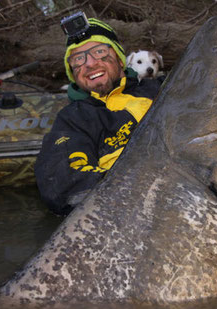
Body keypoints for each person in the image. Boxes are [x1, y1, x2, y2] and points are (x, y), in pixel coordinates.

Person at [35, 17, 163, 215]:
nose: (90, 64)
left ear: (121, 60)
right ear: (73, 74)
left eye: (99, 52)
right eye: (78, 59)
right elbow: (60, 184)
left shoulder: (161, 91)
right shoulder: (73, 119)